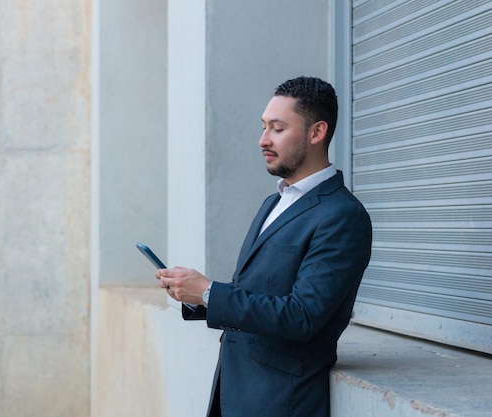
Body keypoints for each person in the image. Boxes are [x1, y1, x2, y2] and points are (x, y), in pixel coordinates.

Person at [156, 76, 372, 417]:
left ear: (317, 133)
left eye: (277, 128)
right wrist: (195, 296)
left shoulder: (343, 216)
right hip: (233, 390)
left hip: (280, 401)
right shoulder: (273, 202)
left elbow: (302, 317)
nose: (262, 140)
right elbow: (257, 293)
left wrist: (211, 292)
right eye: (263, 127)